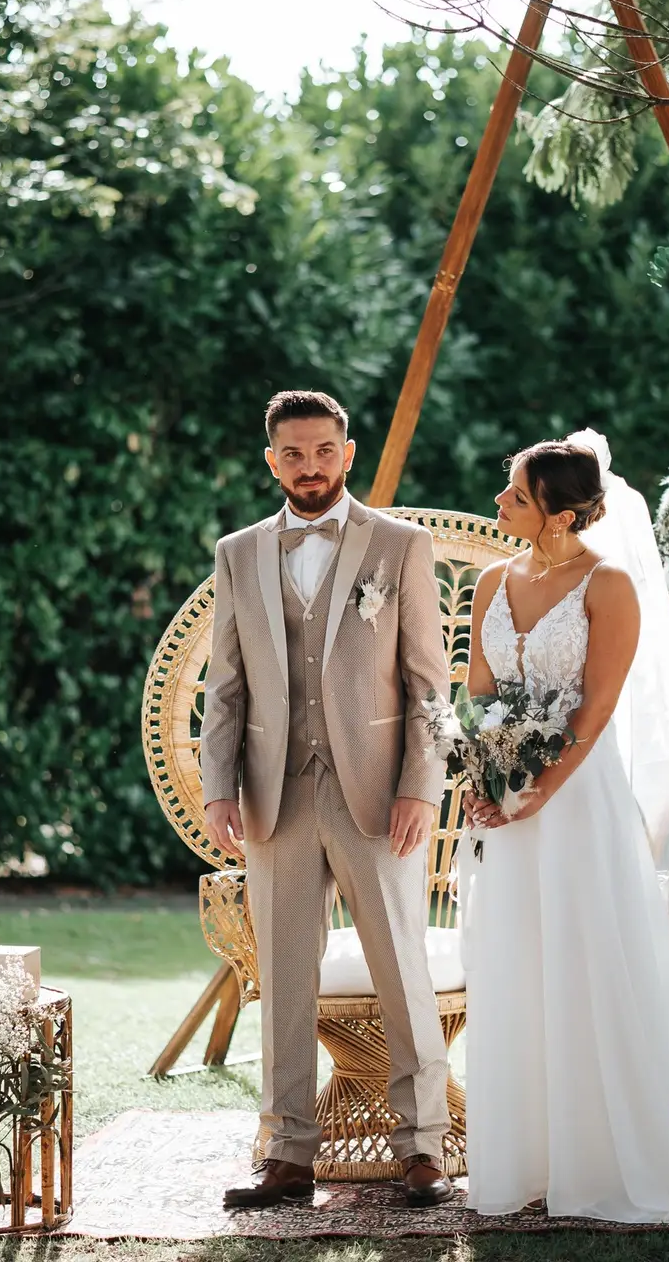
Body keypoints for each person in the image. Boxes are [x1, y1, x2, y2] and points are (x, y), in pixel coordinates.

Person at [200, 390, 456, 1210]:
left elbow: (429, 684)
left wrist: (421, 785)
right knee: (283, 976)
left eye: (323, 451)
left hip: (379, 793)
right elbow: (226, 686)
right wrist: (216, 790)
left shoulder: (400, 544)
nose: (309, 467)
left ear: (347, 451)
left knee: (399, 968)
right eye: (293, 454)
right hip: (275, 794)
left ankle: (420, 1146)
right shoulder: (238, 553)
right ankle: (287, 1153)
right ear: (271, 460)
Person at [456, 434, 669, 1222]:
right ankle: (523, 1159)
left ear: (561, 516)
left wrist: (538, 791)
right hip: (506, 807)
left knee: (587, 959)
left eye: (516, 497)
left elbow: (595, 714)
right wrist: (484, 781)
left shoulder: (611, 586)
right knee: (514, 964)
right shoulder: (493, 580)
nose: (500, 504)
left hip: (578, 803)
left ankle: (607, 1157)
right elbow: (479, 692)